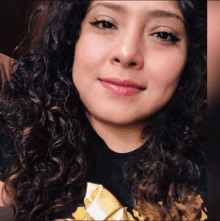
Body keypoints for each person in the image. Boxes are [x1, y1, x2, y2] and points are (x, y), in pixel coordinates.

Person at [0, 0, 207, 220]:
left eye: (163, 35)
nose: (127, 54)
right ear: (72, 35)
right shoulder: (14, 139)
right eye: (105, 24)